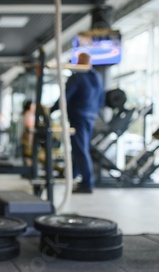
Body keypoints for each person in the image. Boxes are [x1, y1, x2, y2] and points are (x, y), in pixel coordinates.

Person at [51, 52, 105, 193]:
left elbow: (65, 97)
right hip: (91, 116)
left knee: (80, 149)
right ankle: (71, 175)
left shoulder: (77, 77)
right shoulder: (98, 77)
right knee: (81, 148)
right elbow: (101, 99)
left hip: (78, 116)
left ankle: (87, 184)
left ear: (80, 62)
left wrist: (51, 110)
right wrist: (94, 112)